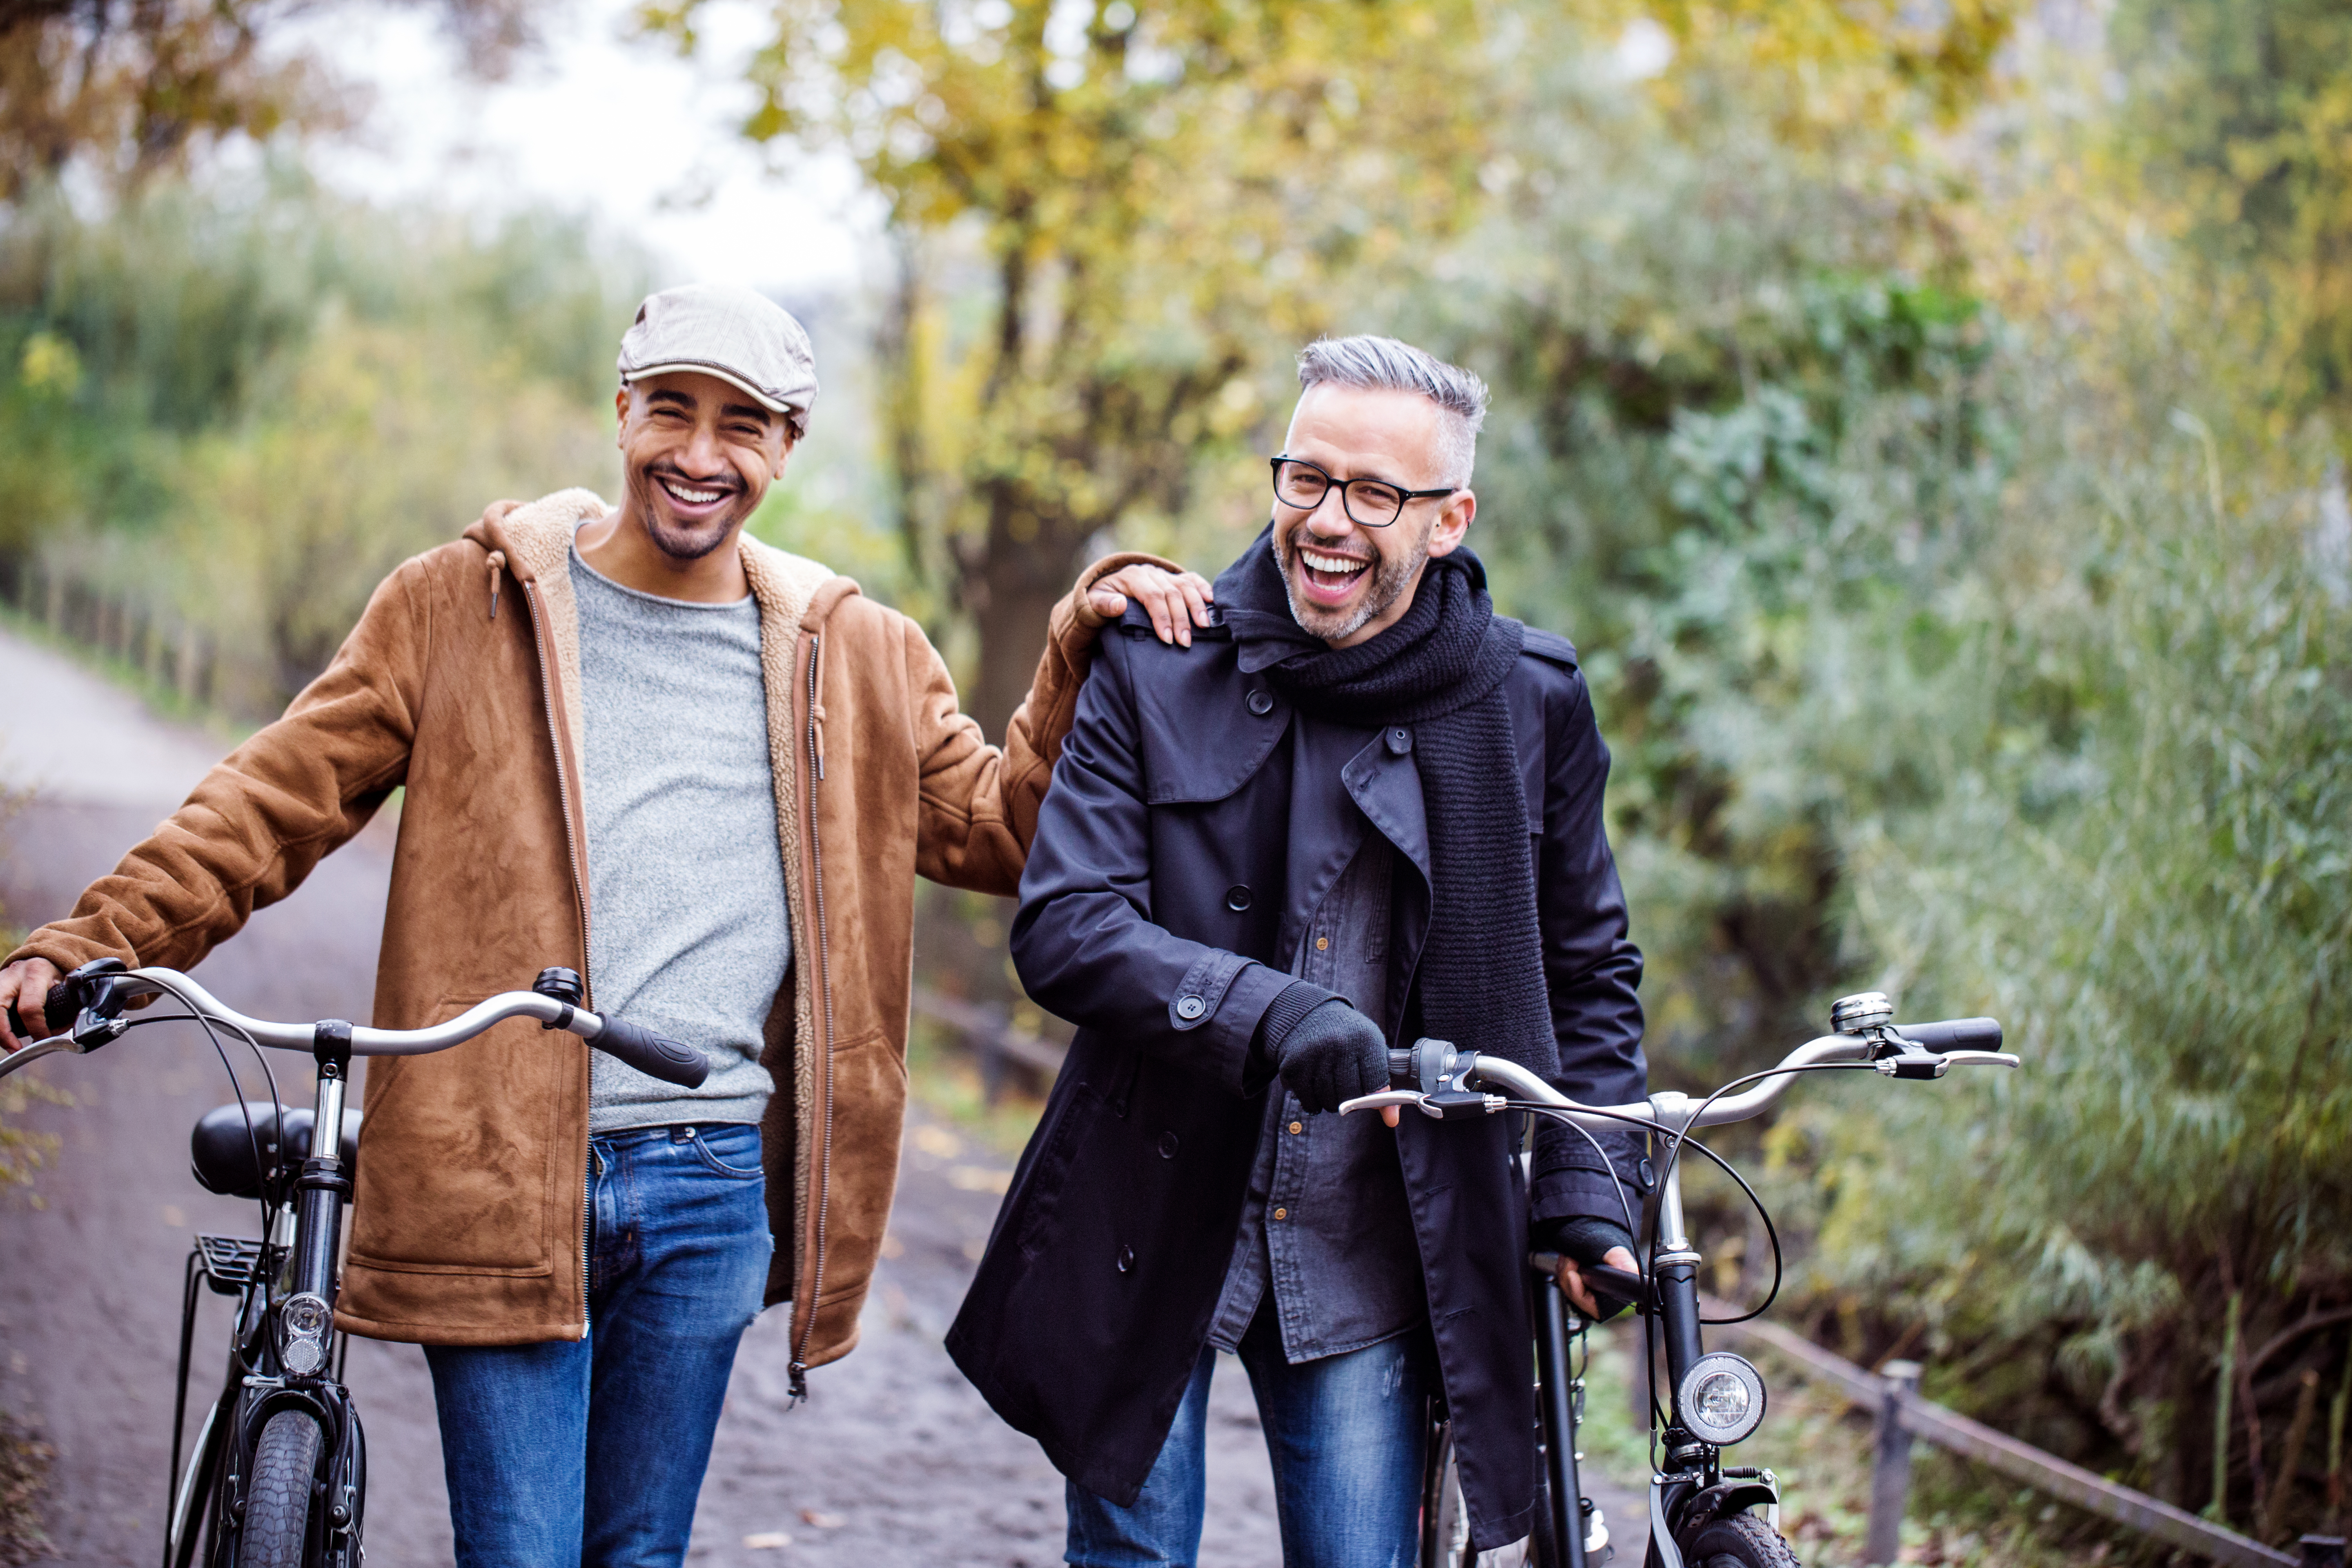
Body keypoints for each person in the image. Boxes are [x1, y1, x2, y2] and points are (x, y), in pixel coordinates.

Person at [0, 282, 1212, 1568]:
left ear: (788, 444)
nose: (700, 455)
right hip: (501, 1159)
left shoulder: (852, 655)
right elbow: (269, 802)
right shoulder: (461, 607)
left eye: (742, 424)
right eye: (672, 411)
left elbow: (1005, 829)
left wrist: (1077, 648)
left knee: (638, 1557)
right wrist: (91, 943)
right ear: (620, 409)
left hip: (708, 1181)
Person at [946, 334, 1649, 1565]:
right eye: (1305, 479)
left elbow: (1588, 973)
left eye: (1376, 493)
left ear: (1450, 519)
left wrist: (1589, 1192)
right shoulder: (1160, 661)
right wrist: (1264, 1012)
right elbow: (1064, 926)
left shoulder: (1527, 700)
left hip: (1381, 1250)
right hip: (1150, 1210)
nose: (1329, 520)